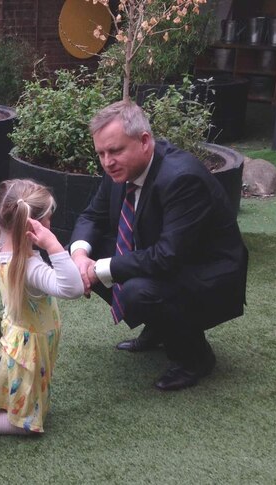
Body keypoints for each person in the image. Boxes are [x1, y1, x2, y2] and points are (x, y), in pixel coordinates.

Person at [69, 100, 248, 391]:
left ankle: (196, 358)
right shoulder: (120, 170)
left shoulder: (181, 178)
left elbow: (168, 257)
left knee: (137, 291)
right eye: (101, 153)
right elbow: (93, 216)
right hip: (168, 260)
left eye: (115, 150)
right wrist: (79, 257)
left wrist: (99, 268)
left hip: (211, 276)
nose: (107, 161)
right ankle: (159, 328)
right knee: (85, 255)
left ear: (144, 141)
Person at [0, 179, 85, 435]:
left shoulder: (1, 252)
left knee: (12, 382)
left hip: (18, 339)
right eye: (48, 219)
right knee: (26, 424)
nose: (51, 225)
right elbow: (73, 288)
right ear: (32, 225)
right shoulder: (31, 268)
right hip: (31, 349)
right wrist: (53, 245)